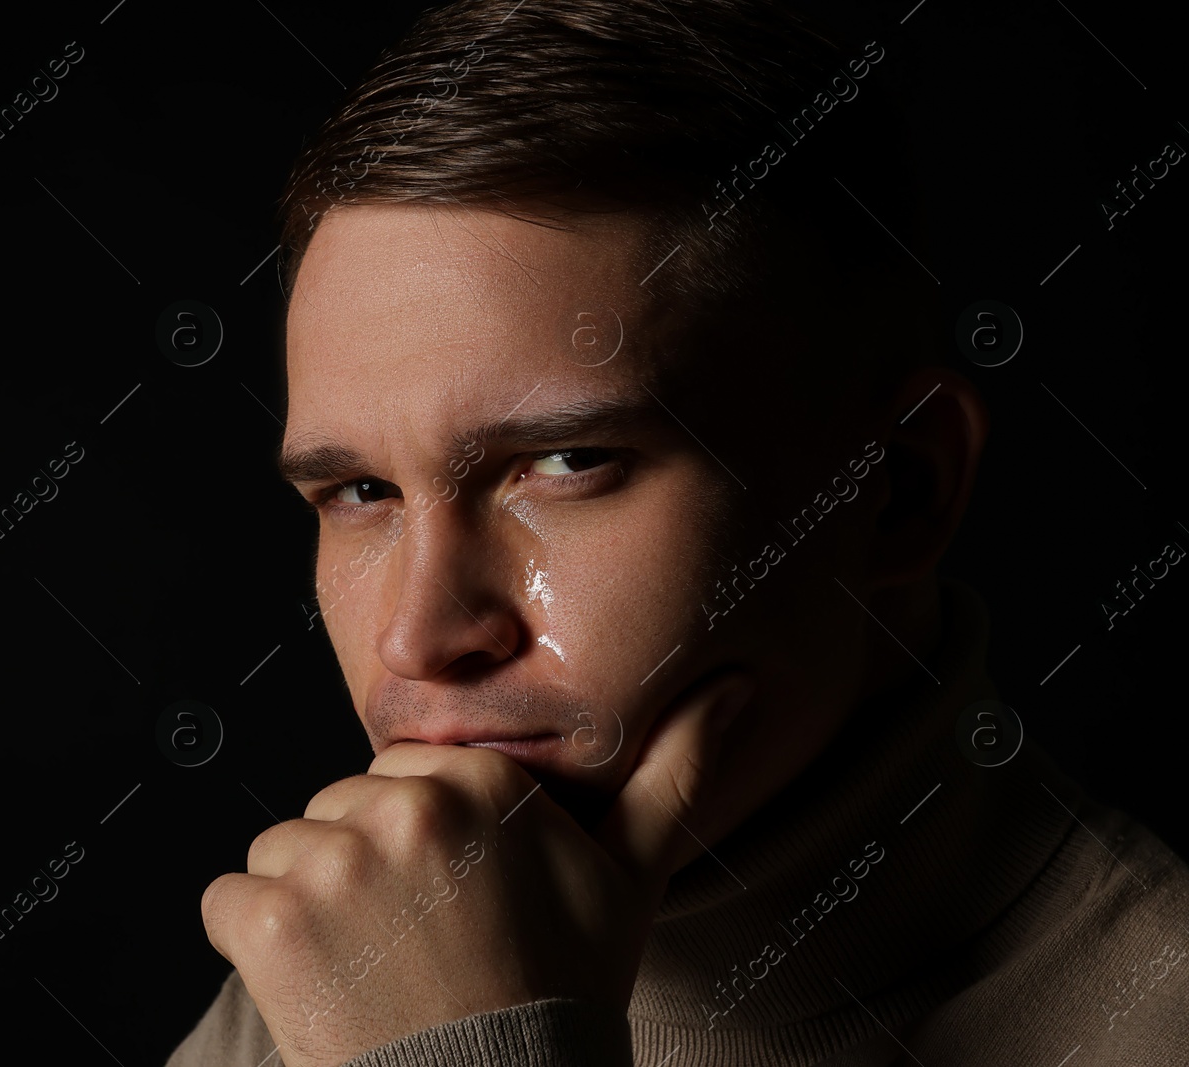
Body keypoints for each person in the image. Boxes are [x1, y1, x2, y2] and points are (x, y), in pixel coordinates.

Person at [169, 1, 1189, 1063]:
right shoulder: (330, 969)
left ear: (896, 486)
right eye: (362, 491)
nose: (420, 638)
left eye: (565, 463)